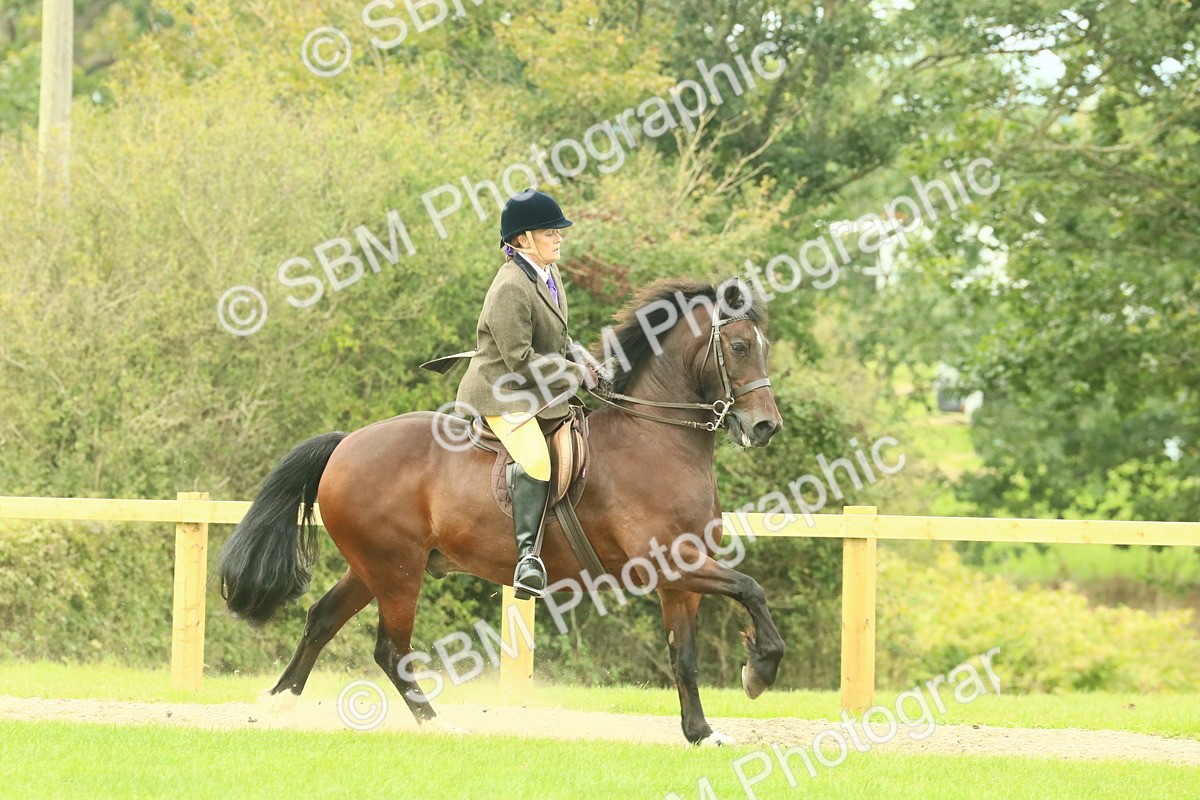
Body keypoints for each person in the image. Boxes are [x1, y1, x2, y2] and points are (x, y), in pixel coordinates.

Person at [456, 189, 590, 599]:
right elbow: (519, 358)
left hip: (538, 388)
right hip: (503, 391)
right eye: (550, 232)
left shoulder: (548, 275)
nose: (559, 238)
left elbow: (557, 341)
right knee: (536, 460)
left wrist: (589, 361)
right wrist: (574, 372)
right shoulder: (510, 287)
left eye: (558, 231)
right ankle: (528, 559)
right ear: (522, 240)